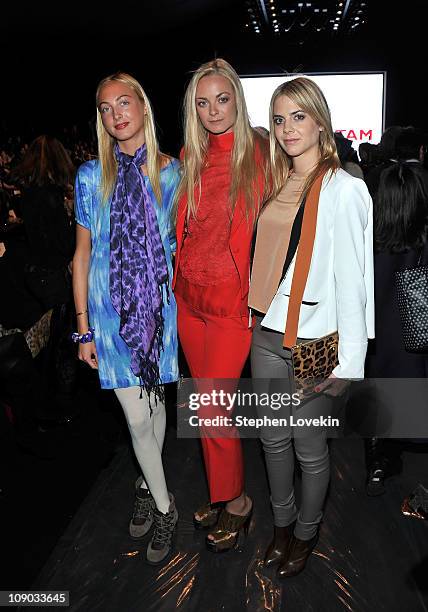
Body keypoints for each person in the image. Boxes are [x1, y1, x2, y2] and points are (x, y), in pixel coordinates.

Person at [249, 77, 374, 577]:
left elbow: (354, 280)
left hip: (314, 338)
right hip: (265, 334)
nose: (286, 128)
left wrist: (350, 364)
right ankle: (281, 526)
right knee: (271, 440)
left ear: (320, 120)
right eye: (279, 119)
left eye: (298, 116)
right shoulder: (275, 182)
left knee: (309, 445)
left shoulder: (346, 189)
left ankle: (306, 530)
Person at [72, 72, 179, 565]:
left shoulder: (174, 173)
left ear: (142, 105)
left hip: (159, 310)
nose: (115, 114)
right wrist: (83, 328)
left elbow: (182, 248)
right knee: (137, 418)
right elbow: (82, 255)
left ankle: (144, 481)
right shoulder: (91, 176)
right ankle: (166, 506)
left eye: (123, 102)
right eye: (104, 107)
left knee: (155, 408)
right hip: (109, 315)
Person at [172, 58, 269, 552]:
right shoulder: (192, 154)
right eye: (202, 102)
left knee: (213, 409)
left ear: (237, 97)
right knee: (204, 405)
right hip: (189, 300)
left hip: (233, 306)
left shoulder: (260, 153)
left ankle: (237, 504)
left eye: (221, 99)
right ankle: (220, 488)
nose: (213, 111)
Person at [364, 161, 428, 496]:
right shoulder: (422, 246)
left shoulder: (367, 247)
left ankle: (379, 459)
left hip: (379, 344)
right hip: (414, 346)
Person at [11, 135, 75, 310]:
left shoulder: (29, 191)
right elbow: (64, 243)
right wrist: (78, 218)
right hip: (53, 276)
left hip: (38, 273)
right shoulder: (50, 196)